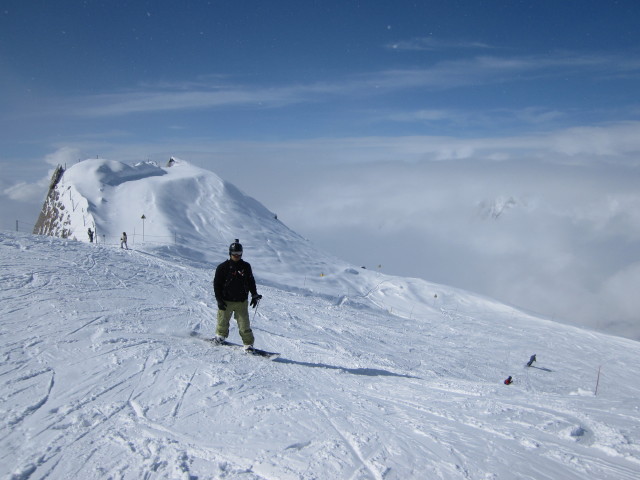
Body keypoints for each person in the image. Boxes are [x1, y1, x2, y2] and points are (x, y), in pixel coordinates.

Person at [212, 239, 262, 352]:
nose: (237, 256)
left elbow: (250, 281)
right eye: (234, 254)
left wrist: (254, 294)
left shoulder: (246, 266)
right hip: (226, 301)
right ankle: (220, 336)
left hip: (241, 301)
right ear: (230, 253)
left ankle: (248, 344)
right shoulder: (222, 267)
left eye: (239, 254)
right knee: (222, 320)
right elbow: (217, 284)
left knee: (244, 324)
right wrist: (219, 299)